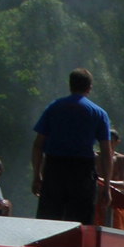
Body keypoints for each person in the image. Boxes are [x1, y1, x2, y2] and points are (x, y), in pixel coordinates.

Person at [31, 67, 112, 224]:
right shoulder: (98, 113)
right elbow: (106, 153)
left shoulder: (53, 108)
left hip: (54, 167)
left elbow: (38, 145)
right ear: (89, 87)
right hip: (82, 171)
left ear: (70, 85)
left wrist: (37, 175)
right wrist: (106, 186)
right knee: (80, 221)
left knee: (48, 220)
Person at [107, 129, 124, 231]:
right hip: (97, 203)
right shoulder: (95, 157)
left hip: (115, 204)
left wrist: (103, 182)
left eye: (111, 141)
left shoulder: (121, 159)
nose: (107, 144)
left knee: (115, 233)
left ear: (117, 142)